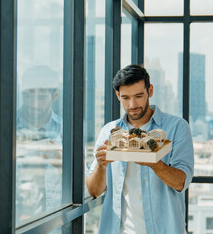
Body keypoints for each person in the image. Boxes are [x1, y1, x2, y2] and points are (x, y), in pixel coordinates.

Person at [86, 64, 194, 234]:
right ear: (117, 96)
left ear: (150, 91)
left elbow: (181, 182)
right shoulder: (108, 131)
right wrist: (101, 166)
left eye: (139, 96)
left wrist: (153, 162)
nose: (132, 104)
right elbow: (93, 191)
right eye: (126, 98)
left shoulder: (177, 127)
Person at [16, 65, 63, 224]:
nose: (34, 104)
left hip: (55, 225)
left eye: (42, 97)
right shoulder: (5, 129)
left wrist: (62, 164)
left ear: (55, 95)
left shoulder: (68, 133)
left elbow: (85, 188)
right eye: (28, 95)